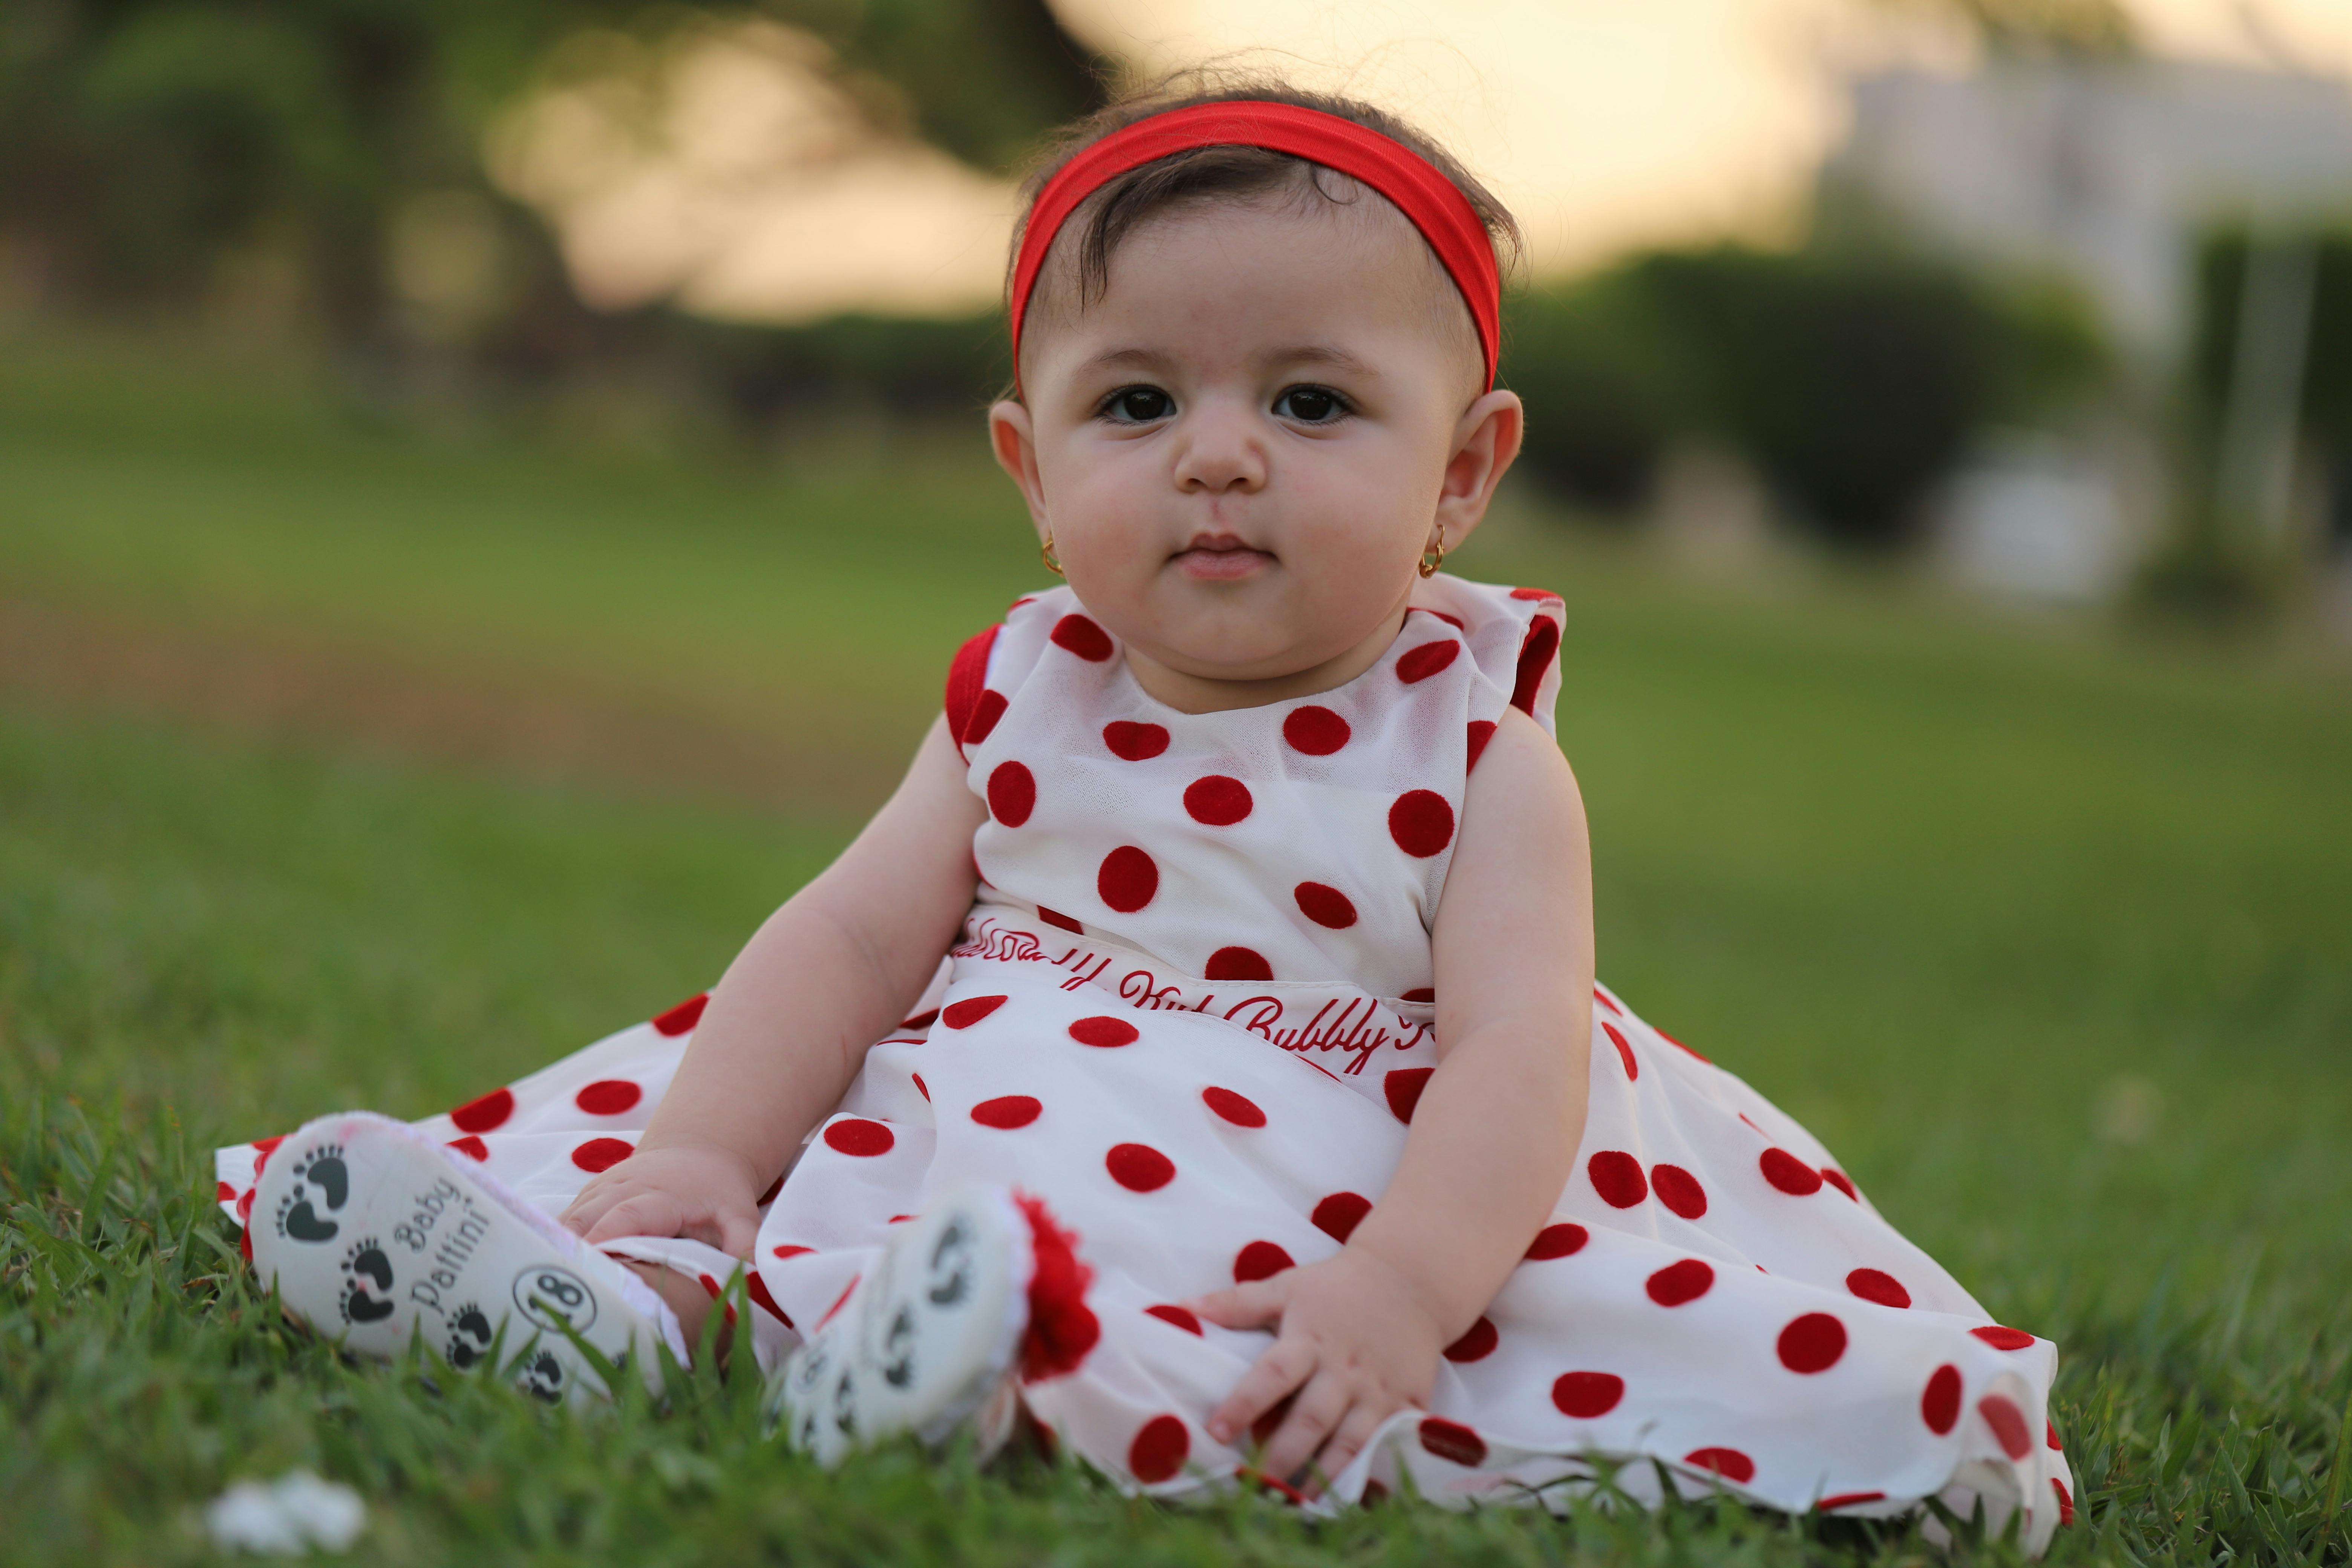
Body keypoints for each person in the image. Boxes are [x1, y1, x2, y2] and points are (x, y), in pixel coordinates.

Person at [218, 81, 2075, 1550]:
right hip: (995, 1091)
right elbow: (853, 940)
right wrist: (704, 1144)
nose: (1217, 450)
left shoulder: (1478, 748)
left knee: (1177, 1290)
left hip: (1333, 1174)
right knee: (791, 1171)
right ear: (1033, 470)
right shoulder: (1028, 688)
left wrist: (1403, 1291)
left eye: (1312, 399)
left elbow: (1522, 1050)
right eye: (1136, 399)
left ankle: (955, 1367)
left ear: (1465, 474)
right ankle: (635, 1291)